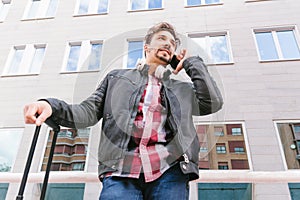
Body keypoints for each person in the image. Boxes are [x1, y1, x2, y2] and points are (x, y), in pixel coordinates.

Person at [24, 22, 223, 200]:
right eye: (162, 39)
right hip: (120, 171)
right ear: (146, 48)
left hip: (170, 171)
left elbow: (212, 103)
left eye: (172, 43)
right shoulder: (117, 79)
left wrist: (191, 63)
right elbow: (87, 111)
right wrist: (50, 106)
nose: (168, 44)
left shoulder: (181, 90)